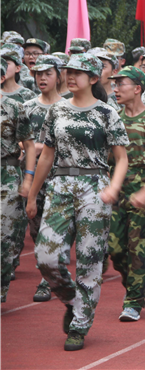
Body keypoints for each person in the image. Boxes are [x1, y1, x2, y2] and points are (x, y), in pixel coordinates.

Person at [26, 53, 129, 351]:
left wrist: (114, 188)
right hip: (59, 185)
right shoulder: (57, 110)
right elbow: (46, 154)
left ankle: (80, 324)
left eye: (78, 73)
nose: (71, 77)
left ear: (94, 78)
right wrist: (33, 194)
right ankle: (72, 299)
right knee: (46, 256)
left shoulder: (107, 113)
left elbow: (121, 158)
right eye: (68, 72)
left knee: (89, 259)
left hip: (94, 186)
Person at [107, 66, 145, 322]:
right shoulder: (113, 119)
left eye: (121, 84)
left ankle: (133, 301)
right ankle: (131, 284)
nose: (116, 88)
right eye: (114, 84)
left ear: (137, 88)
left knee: (139, 249)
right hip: (117, 192)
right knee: (115, 249)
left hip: (142, 192)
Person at [22, 55, 66, 302]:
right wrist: (31, 147)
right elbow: (15, 136)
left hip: (59, 176)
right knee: (37, 229)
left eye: (47, 73)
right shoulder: (27, 106)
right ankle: (49, 270)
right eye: (38, 73)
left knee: (54, 229)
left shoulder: (67, 107)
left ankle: (47, 280)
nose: (42, 78)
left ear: (58, 76)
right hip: (32, 175)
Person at [1, 58, 36, 303]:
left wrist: (28, 180)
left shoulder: (14, 107)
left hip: (7, 174)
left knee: (5, 236)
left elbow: (30, 146)